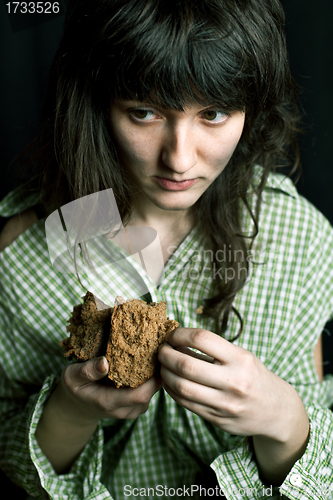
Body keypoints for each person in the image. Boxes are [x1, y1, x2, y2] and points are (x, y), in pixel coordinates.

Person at [0, 0, 333, 499]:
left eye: (214, 113)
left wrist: (281, 416)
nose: (178, 158)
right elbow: (13, 464)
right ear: (96, 102)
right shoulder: (32, 249)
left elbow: (320, 471)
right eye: (144, 112)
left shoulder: (295, 236)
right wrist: (71, 409)